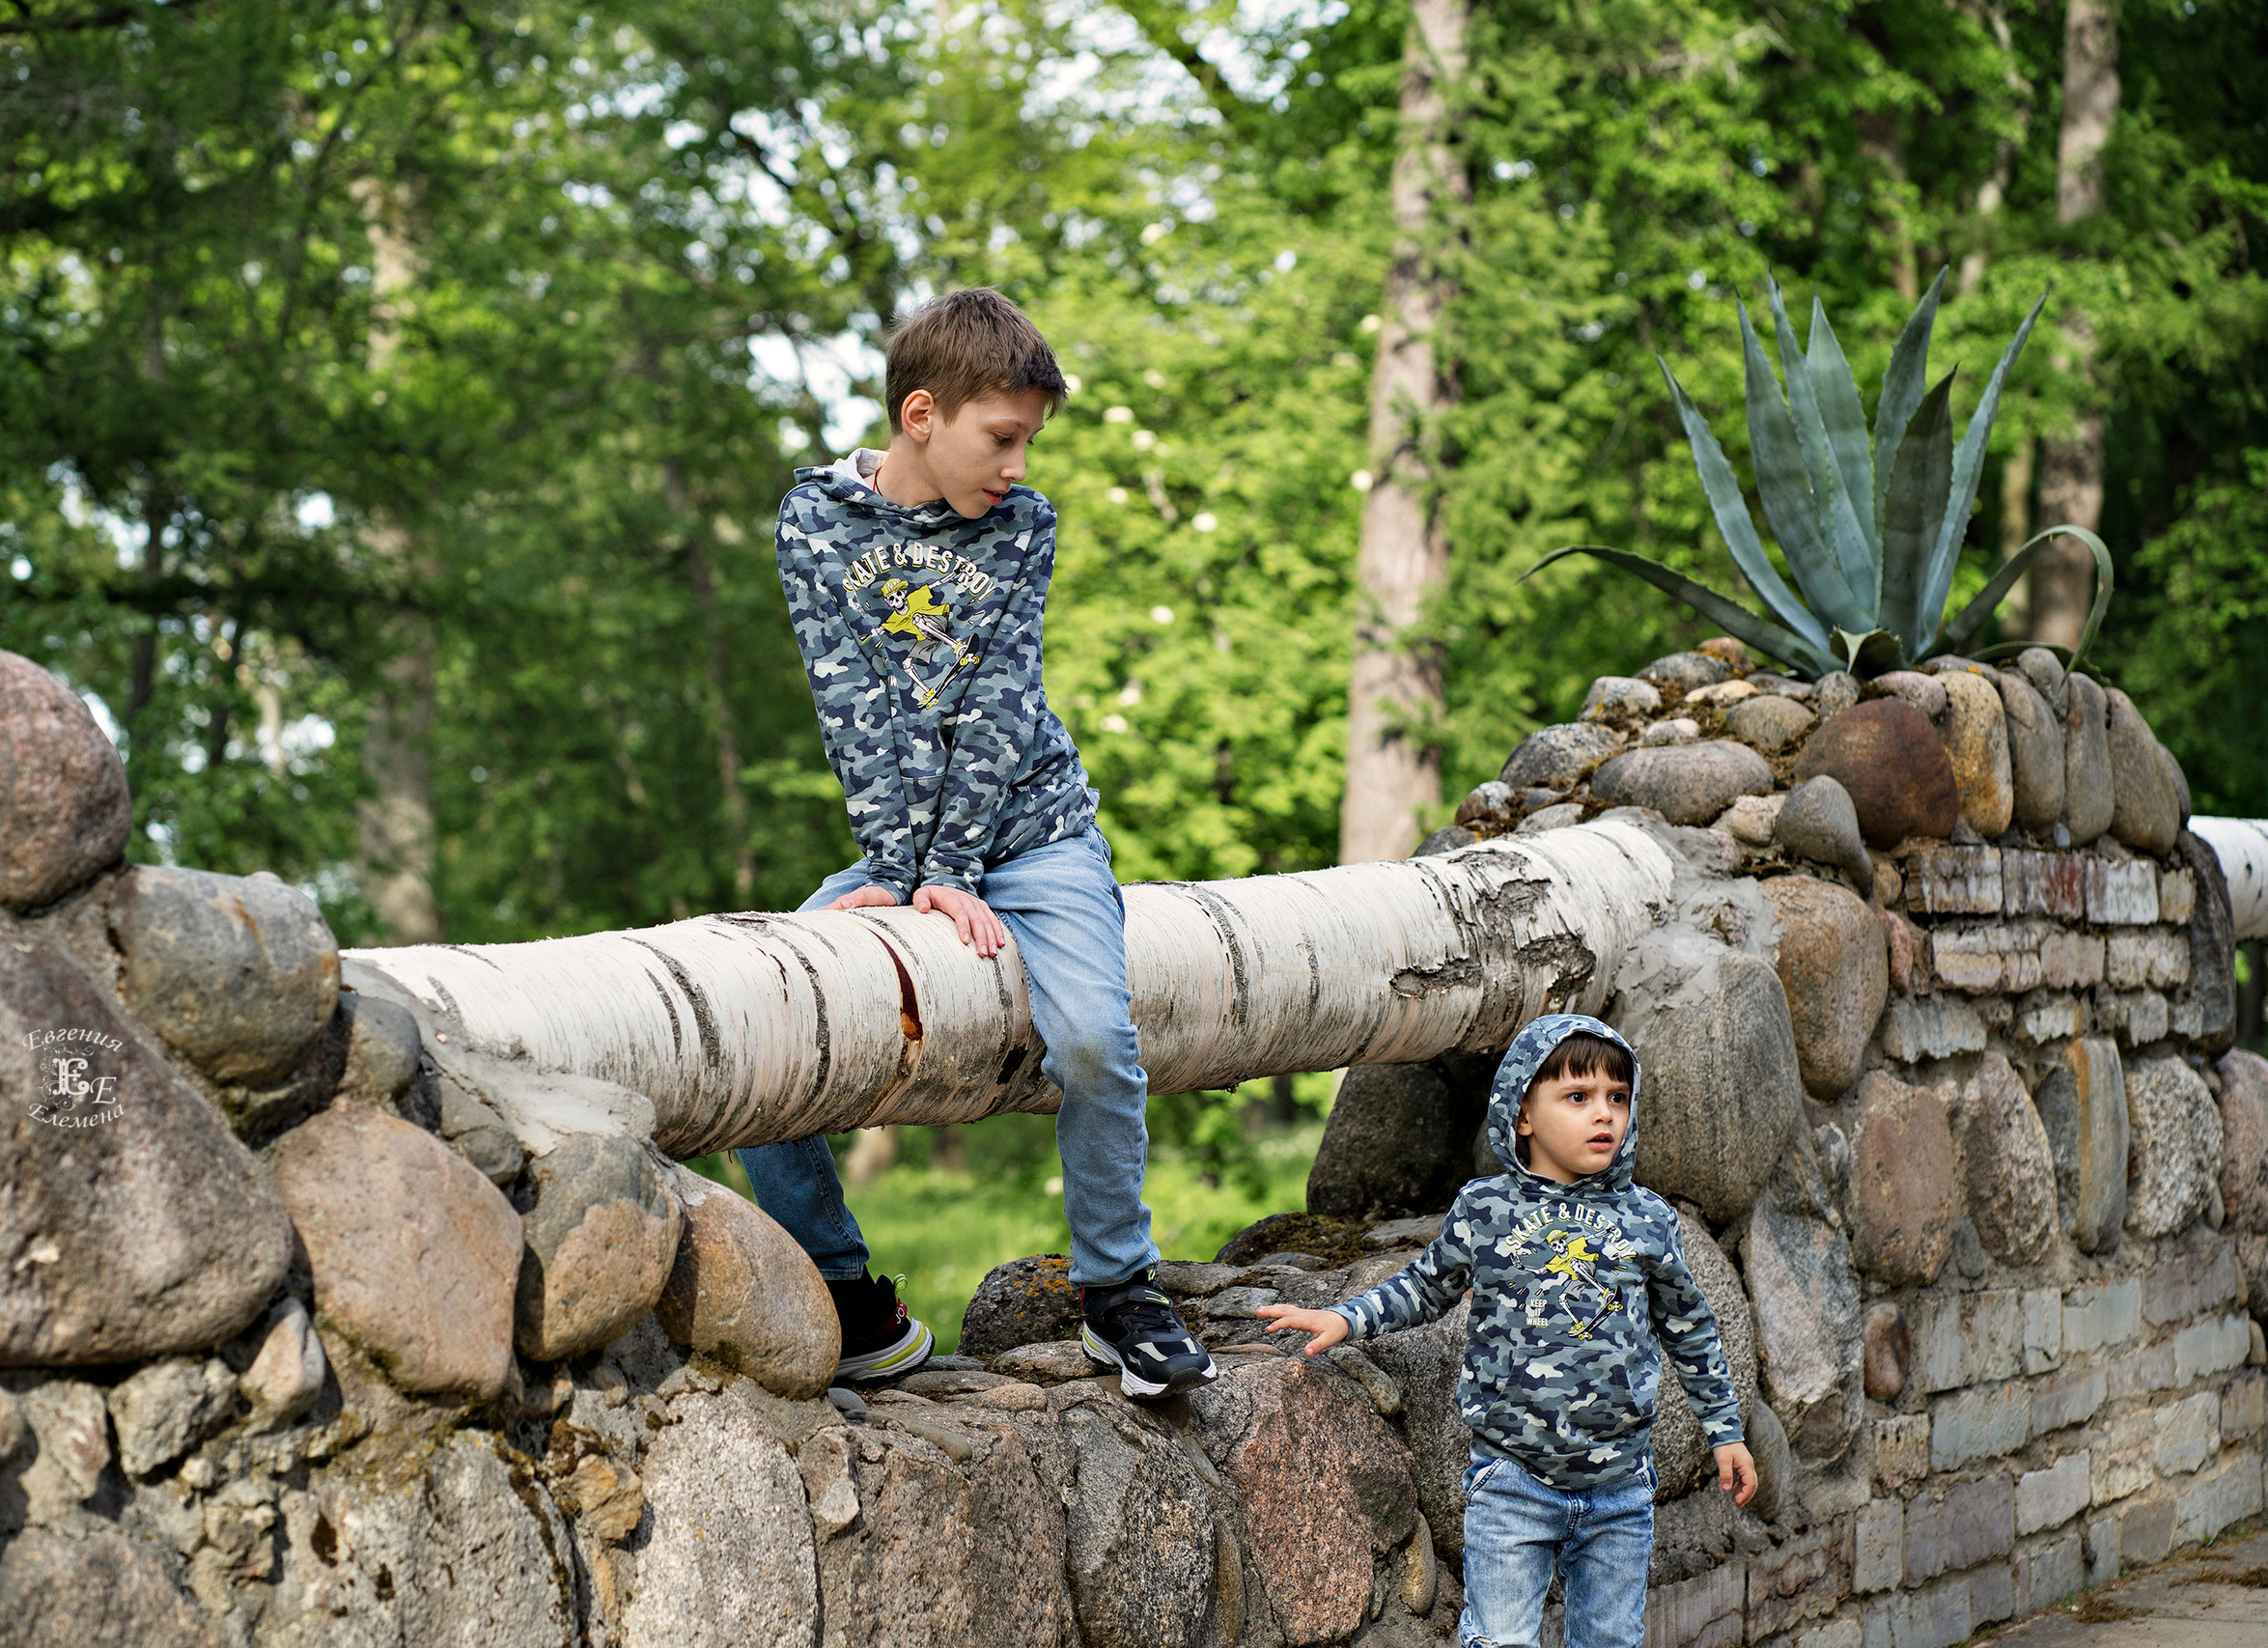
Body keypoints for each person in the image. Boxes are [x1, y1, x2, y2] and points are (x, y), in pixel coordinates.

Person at [743, 287, 1216, 1400]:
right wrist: (907, 880)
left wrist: (950, 875)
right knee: (769, 1010)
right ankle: (842, 1291)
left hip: (1037, 835)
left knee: (1096, 1040)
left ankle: (1119, 1294)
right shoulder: (814, 521)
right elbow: (850, 707)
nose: (1016, 464)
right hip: (901, 847)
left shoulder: (1022, 526)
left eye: (1028, 442)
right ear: (921, 415)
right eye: (1000, 438)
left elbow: (999, 709)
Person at [1254, 1014, 1756, 1648]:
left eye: (1617, 1097)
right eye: (1578, 1097)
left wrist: (1725, 1429)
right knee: (1498, 1639)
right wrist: (1347, 1315)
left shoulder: (1646, 1219)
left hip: (1621, 1488)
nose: (1604, 1114)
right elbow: (1424, 1287)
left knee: (1611, 1639)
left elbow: (1690, 1325)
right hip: (1513, 1483)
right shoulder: (1486, 1211)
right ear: (1522, 1113)